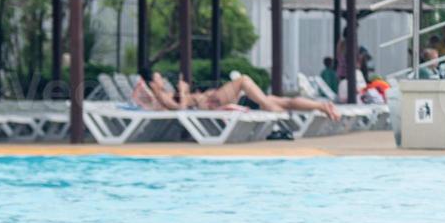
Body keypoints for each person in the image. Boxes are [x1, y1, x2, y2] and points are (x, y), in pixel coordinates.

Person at [143, 68, 341, 121]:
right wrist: (184, 92)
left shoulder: (165, 93)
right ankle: (269, 105)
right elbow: (182, 110)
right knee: (244, 80)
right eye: (158, 78)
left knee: (282, 101)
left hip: (213, 99)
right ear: (152, 83)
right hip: (212, 103)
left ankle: (321, 107)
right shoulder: (162, 96)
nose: (161, 81)